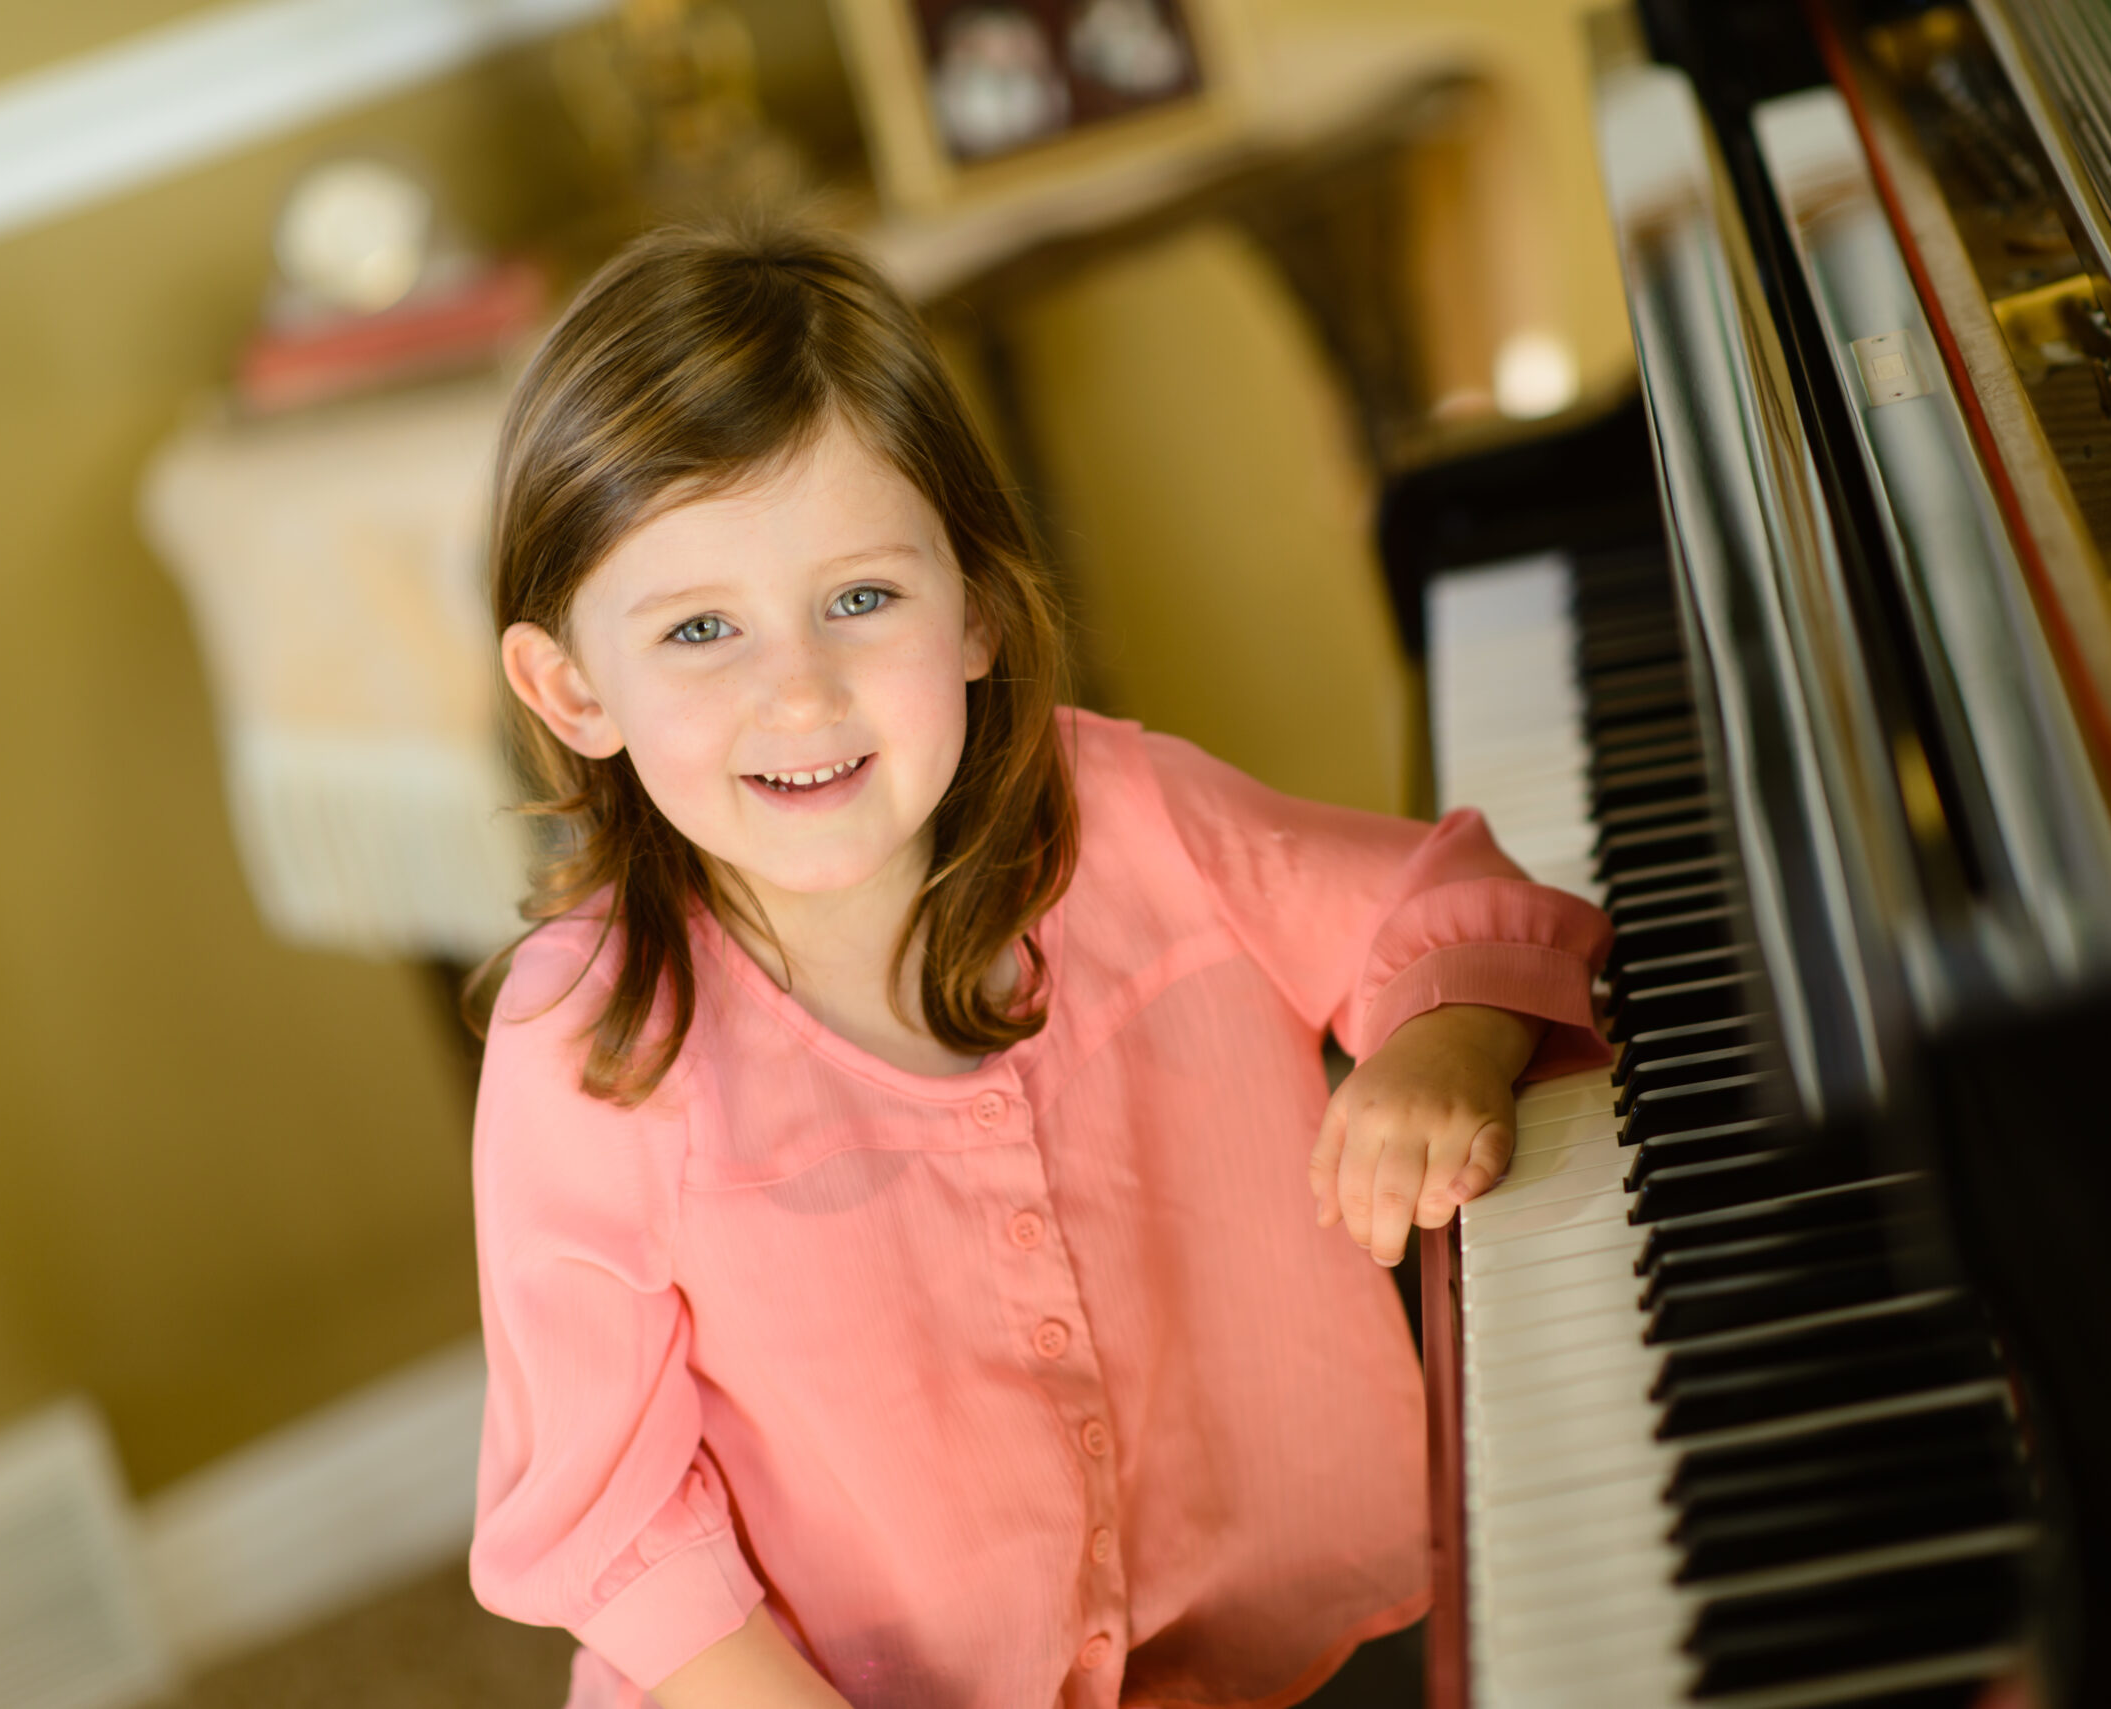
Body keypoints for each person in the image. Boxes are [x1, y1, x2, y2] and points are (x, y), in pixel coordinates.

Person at [465, 221, 1613, 1709]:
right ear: (571, 687)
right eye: (699, 629)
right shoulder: (588, 1047)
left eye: (862, 598)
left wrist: (1439, 1043)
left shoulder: (1127, 818)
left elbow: (1432, 905)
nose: (799, 686)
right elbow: (619, 1529)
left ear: (980, 609)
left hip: (1258, 1662)